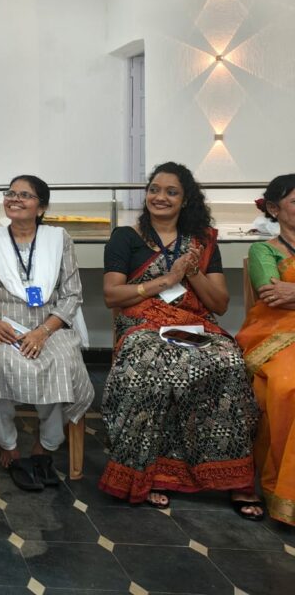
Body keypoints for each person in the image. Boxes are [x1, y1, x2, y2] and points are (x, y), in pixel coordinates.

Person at [99, 161, 262, 518]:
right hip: (142, 325)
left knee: (228, 361)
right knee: (156, 365)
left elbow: (219, 305)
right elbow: (112, 295)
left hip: (193, 325)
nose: (160, 197)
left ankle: (234, 477)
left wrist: (192, 272)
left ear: (185, 200)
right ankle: (154, 472)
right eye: (154, 190)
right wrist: (167, 280)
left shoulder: (201, 243)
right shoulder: (125, 237)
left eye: (171, 192)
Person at [0, 176, 94, 491]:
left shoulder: (59, 239)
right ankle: (8, 443)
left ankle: (45, 446)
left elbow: (72, 295)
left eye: (25, 195)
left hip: (50, 325)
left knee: (63, 364)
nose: (15, 199)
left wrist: (43, 331)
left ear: (42, 207)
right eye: (10, 193)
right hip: (3, 326)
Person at [237, 174, 295, 525]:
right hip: (275, 335)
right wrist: (285, 295)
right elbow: (271, 294)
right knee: (287, 386)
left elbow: (286, 293)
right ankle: (285, 493)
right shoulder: (264, 250)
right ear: (274, 209)